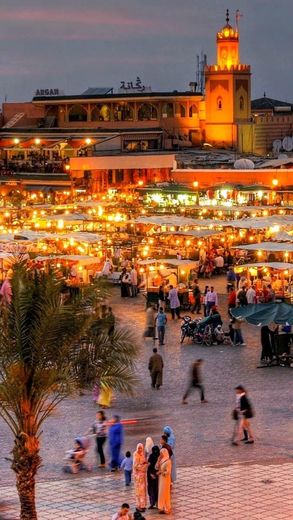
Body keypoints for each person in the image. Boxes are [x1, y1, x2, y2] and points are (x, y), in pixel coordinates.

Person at [156, 448, 172, 514]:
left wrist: (161, 472)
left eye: (161, 453)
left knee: (164, 493)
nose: (160, 454)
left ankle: (166, 507)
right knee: (161, 493)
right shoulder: (161, 460)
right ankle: (161, 507)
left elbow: (168, 472)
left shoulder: (168, 461)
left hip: (165, 479)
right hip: (161, 480)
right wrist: (158, 460)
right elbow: (156, 467)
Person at [133, 443, 148, 513]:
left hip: (143, 476)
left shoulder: (142, 454)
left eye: (141, 448)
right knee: (139, 492)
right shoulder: (135, 455)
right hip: (138, 477)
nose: (140, 449)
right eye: (139, 448)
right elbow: (136, 466)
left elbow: (144, 462)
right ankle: (139, 505)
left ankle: (143, 505)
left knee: (143, 491)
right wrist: (144, 466)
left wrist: (145, 464)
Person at [147, 445, 160, 509]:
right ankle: (157, 503)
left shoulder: (151, 456)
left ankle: (152, 503)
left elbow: (148, 466)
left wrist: (150, 474)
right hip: (157, 475)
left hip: (152, 475)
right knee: (156, 490)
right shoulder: (159, 456)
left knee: (152, 490)